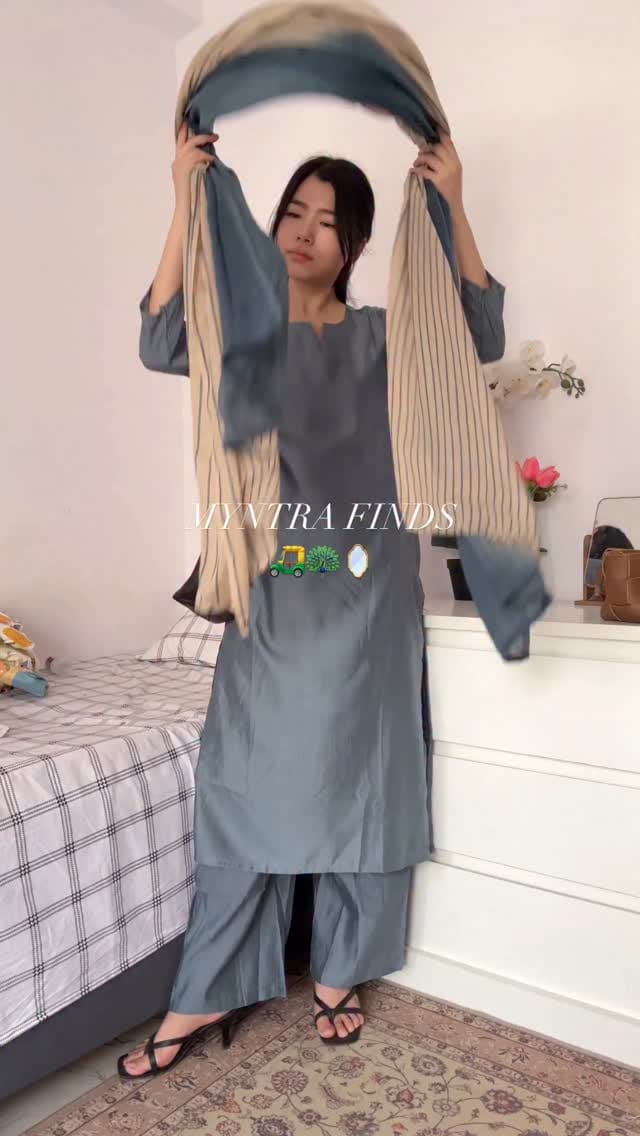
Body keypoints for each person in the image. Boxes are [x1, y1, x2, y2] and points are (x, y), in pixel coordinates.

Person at [119, 122, 507, 1077]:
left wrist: (454, 203)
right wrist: (183, 197)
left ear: (355, 244)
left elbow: (481, 334)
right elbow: (159, 339)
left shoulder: (383, 339)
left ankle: (340, 971)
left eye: (327, 222)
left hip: (369, 592)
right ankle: (211, 986)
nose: (303, 232)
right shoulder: (242, 336)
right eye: (293, 212)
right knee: (241, 779)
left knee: (366, 781)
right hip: (274, 587)